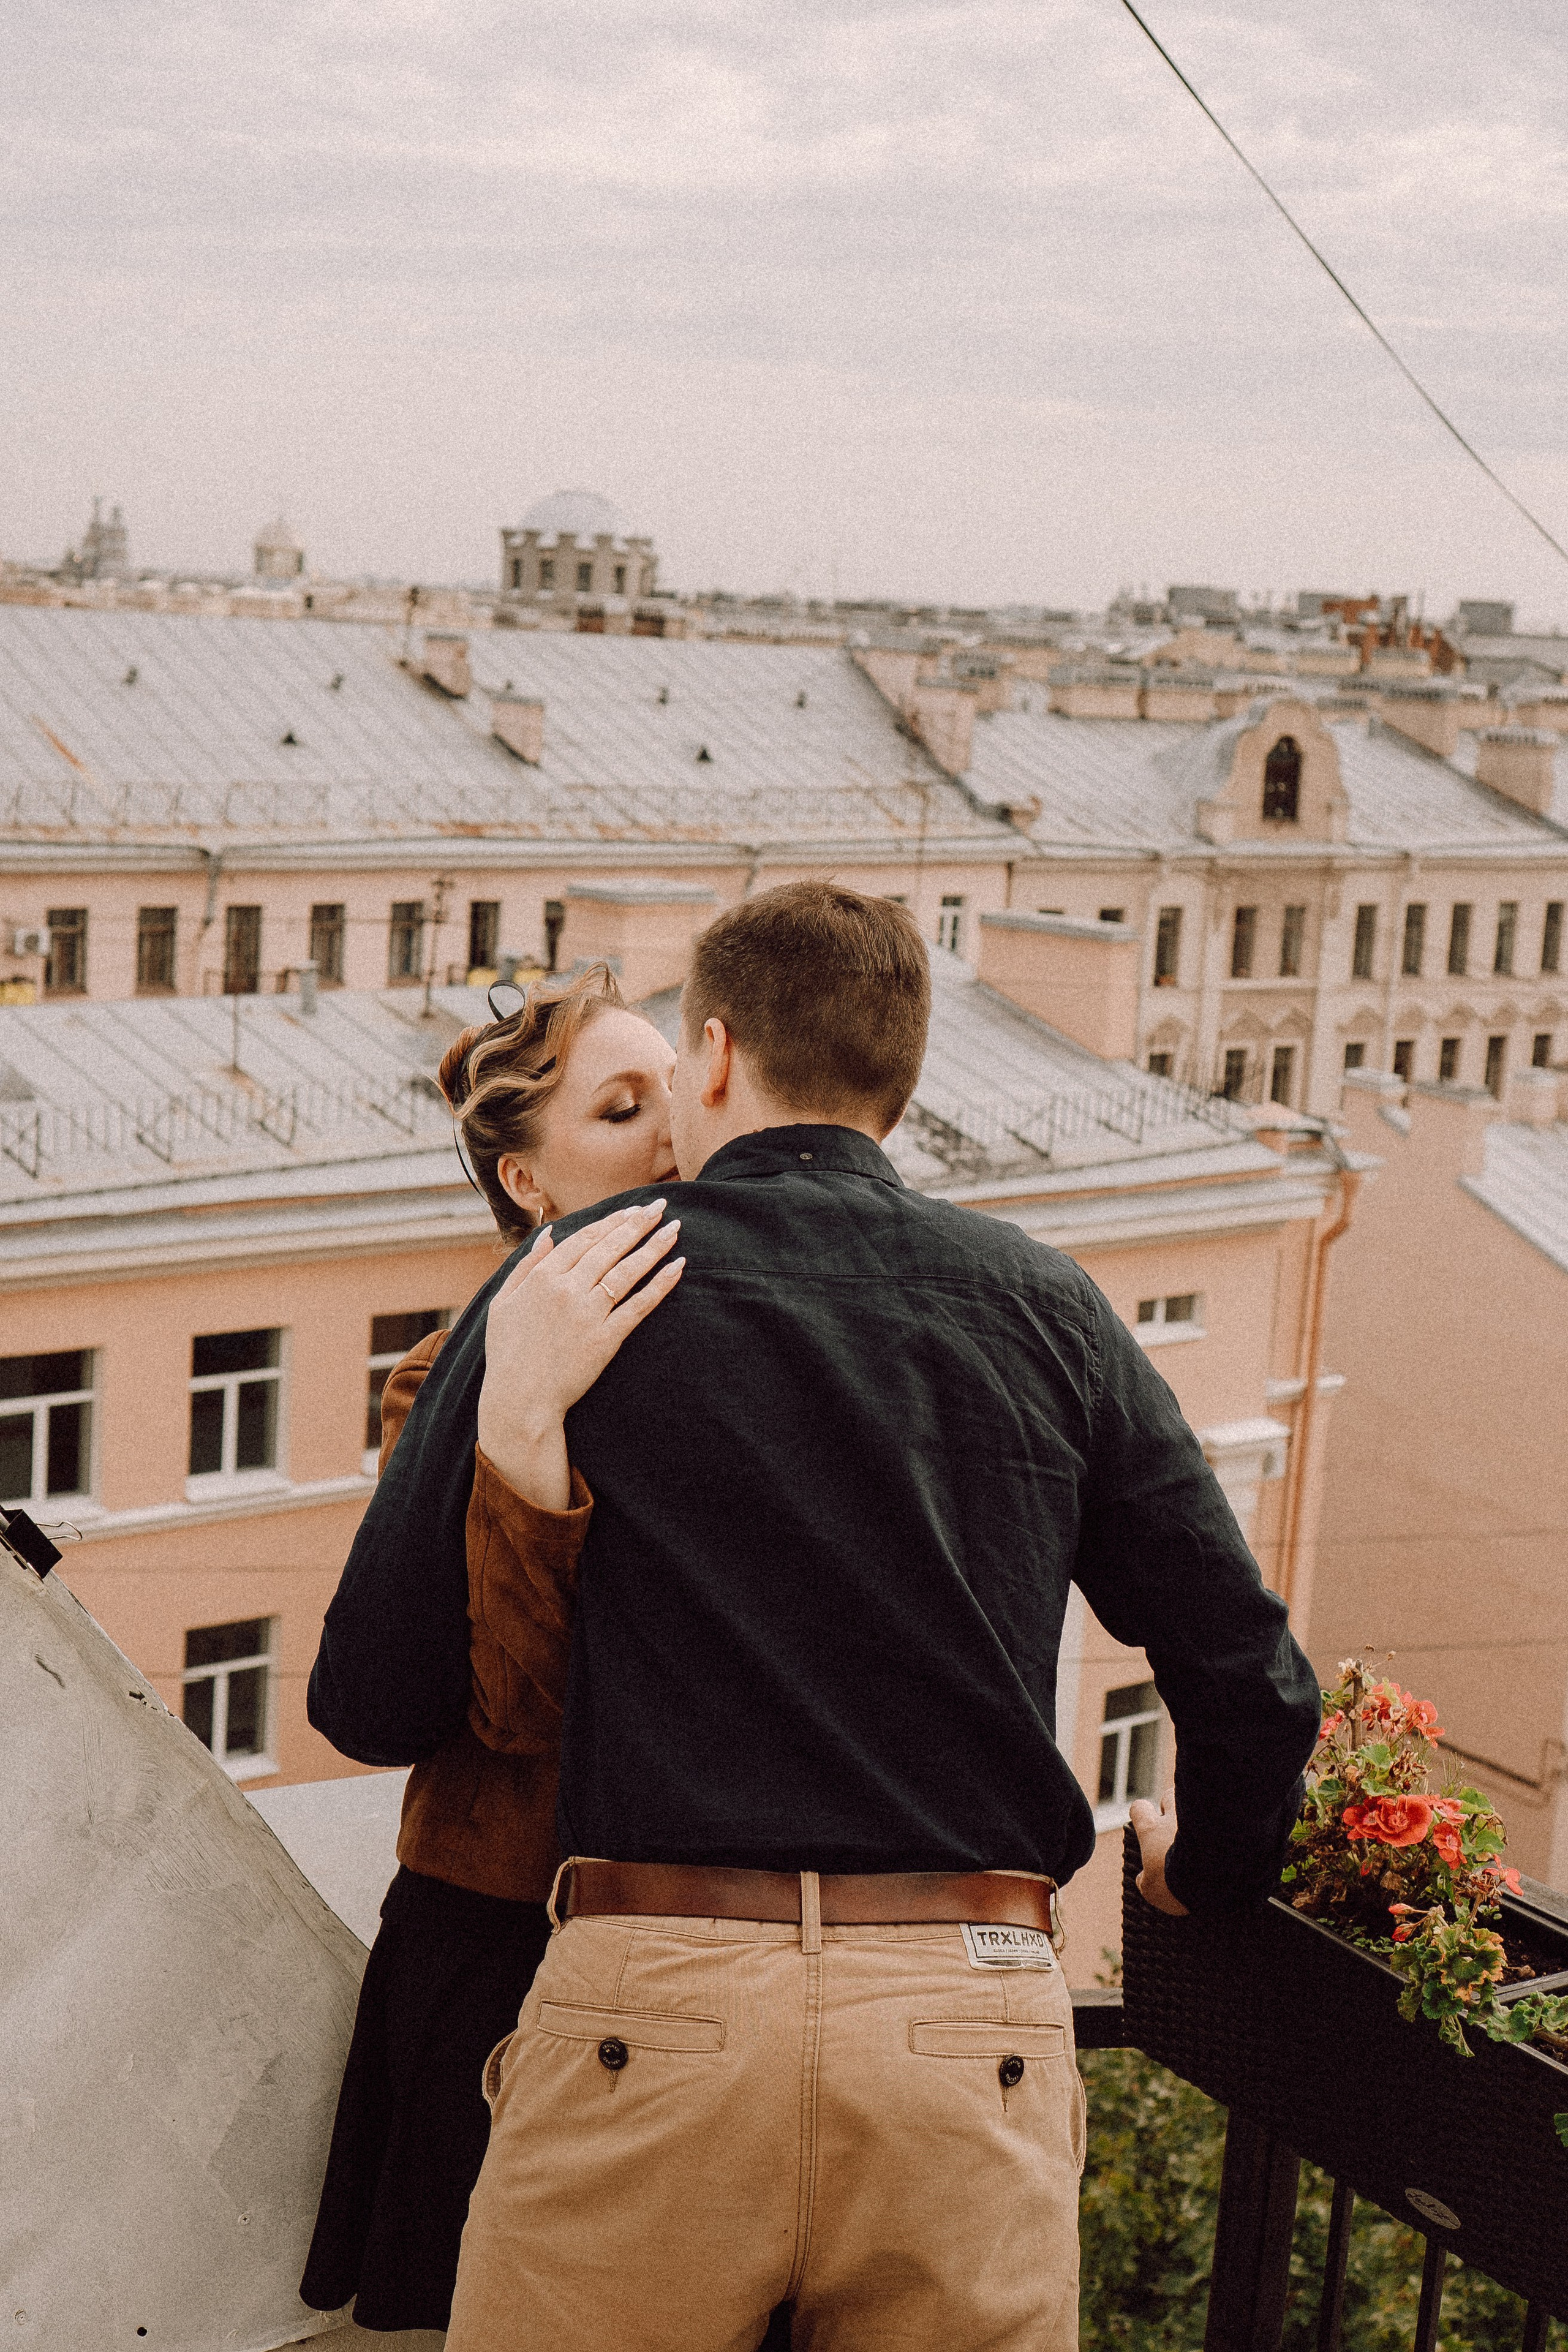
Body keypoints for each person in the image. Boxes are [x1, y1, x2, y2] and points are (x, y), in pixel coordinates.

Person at [326, 881, 1323, 2352]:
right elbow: (1247, 1675)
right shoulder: (1043, 1305)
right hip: (963, 2020)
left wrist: (516, 1415)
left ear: (715, 1057)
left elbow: (364, 1699)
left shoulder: (570, 1288)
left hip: (650, 2015)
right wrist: (1208, 1872)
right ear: (901, 1084)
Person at [301, 965, 685, 2333]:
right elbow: (506, 1703)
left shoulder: (715, 1341)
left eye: (677, 1091)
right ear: (527, 1186)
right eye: (620, 1109)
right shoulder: (455, 1368)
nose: (671, 1132)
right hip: (500, 1933)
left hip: (669, 1951)